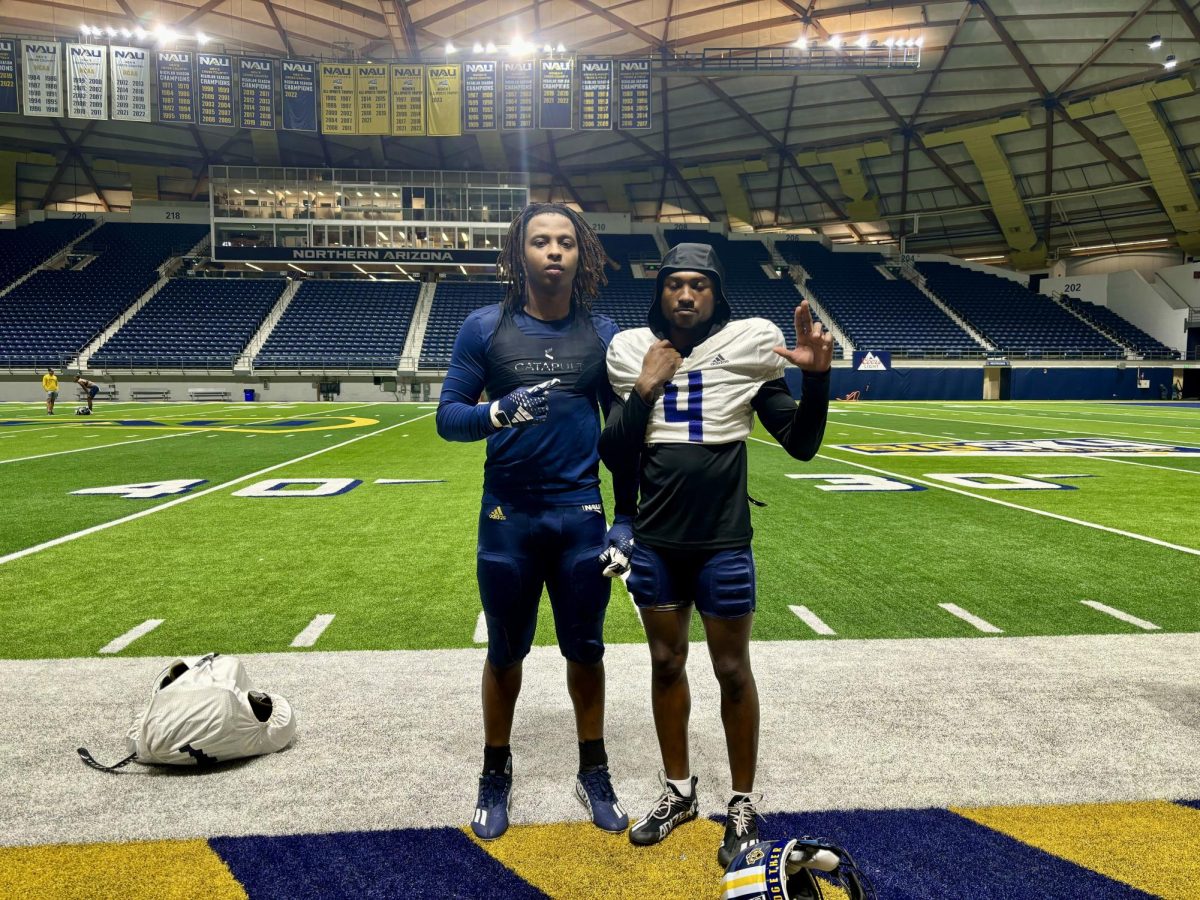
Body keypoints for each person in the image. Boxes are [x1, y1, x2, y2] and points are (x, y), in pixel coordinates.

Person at [600, 242, 832, 867]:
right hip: (656, 544)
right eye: (674, 283)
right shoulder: (630, 351)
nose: (685, 295)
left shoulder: (751, 342)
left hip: (724, 544)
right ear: (660, 291)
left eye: (697, 285)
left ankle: (743, 802)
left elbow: (801, 443)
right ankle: (678, 792)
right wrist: (646, 389)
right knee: (666, 663)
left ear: (716, 291)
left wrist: (817, 379)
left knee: (733, 670)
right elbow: (616, 453)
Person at [436, 202, 633, 840]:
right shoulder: (484, 330)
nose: (554, 251)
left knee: (587, 649)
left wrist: (626, 517)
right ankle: (495, 772)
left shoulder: (604, 335)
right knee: (504, 651)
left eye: (566, 242)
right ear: (520, 252)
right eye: (541, 241)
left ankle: (593, 769)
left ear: (583, 255)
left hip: (579, 515)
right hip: (508, 517)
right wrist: (498, 412)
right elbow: (447, 417)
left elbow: (627, 436)